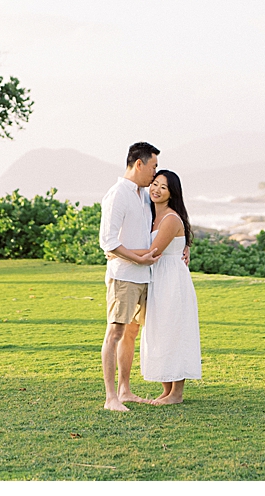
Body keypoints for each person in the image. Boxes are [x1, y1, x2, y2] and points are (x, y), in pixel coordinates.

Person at [98, 142, 160, 412]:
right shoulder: (117, 195)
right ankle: (111, 397)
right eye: (153, 166)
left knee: (131, 333)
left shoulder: (142, 195)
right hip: (123, 276)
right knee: (115, 332)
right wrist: (139, 258)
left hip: (142, 275)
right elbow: (108, 242)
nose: (155, 173)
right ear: (139, 164)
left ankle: (125, 390)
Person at [135, 170, 202, 403]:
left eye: (163, 187)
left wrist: (116, 251)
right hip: (159, 278)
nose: (156, 190)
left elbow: (154, 251)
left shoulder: (171, 218)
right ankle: (166, 389)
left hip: (172, 280)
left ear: (172, 193)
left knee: (174, 330)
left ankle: (177, 393)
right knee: (160, 331)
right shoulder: (151, 214)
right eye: (154, 184)